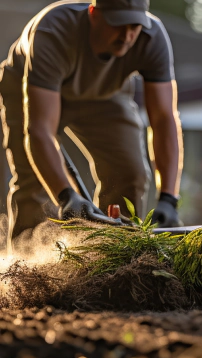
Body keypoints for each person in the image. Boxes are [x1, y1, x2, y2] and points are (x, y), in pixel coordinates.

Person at [0, 0, 184, 250]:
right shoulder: (53, 30)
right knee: (35, 185)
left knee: (129, 173)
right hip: (31, 90)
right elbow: (40, 129)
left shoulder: (152, 36)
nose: (127, 35)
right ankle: (24, 271)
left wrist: (169, 199)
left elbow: (163, 119)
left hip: (105, 94)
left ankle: (113, 260)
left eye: (134, 26)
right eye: (118, 24)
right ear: (94, 14)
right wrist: (66, 196)